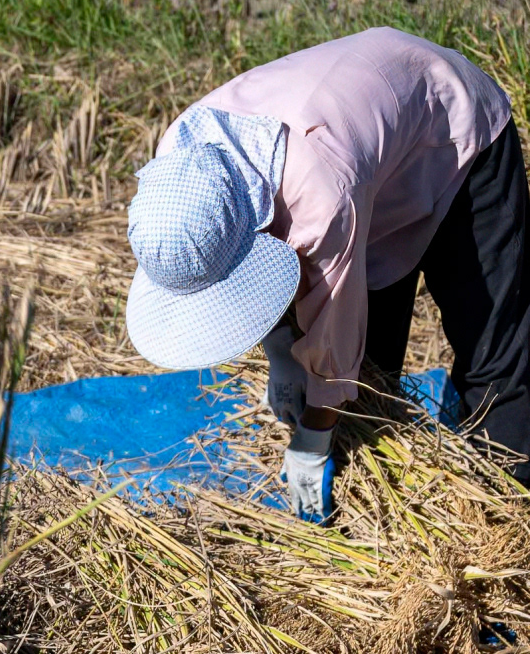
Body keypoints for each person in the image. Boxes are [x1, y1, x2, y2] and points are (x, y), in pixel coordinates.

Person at [124, 27, 527, 519]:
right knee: (371, 367)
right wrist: (282, 350)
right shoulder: (178, 163)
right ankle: (379, 489)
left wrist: (313, 439)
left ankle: (506, 511)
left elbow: (335, 334)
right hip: (366, 162)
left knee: (491, 349)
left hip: (452, 126)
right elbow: (245, 262)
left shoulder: (320, 198)